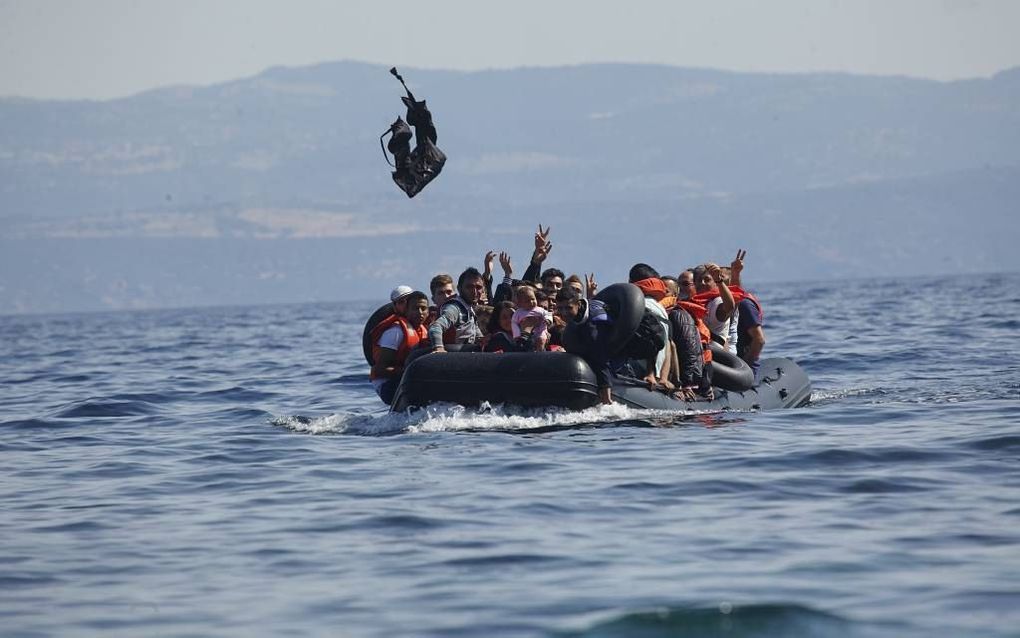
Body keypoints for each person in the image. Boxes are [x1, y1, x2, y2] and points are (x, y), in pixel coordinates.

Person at [369, 290, 430, 404]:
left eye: (423, 308)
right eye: (415, 308)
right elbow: (380, 370)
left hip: (407, 377)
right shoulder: (395, 332)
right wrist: (409, 372)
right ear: (407, 311)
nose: (420, 312)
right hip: (386, 384)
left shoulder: (423, 330)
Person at [556, 288, 615, 404]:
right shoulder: (575, 320)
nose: (563, 313)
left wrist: (606, 395)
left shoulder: (593, 326)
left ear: (578, 304)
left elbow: (602, 359)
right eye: (560, 308)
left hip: (612, 350)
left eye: (568, 308)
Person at [627, 263, 675, 391]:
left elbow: (651, 337)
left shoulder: (638, 305)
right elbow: (668, 346)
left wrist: (650, 373)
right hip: (657, 375)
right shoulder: (662, 309)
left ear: (631, 282)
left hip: (637, 371)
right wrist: (664, 378)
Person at [428, 267, 486, 351]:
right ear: (459, 288)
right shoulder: (455, 308)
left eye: (478, 287)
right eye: (469, 287)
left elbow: (479, 337)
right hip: (452, 358)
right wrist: (439, 348)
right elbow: (435, 327)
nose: (474, 291)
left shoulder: (469, 311)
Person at [693, 262, 736, 353]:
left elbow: (729, 307)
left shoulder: (717, 302)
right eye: (699, 280)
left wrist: (719, 281)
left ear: (715, 282)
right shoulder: (691, 302)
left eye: (707, 280)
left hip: (716, 355)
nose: (702, 283)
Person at [512, 285, 553, 351]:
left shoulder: (539, 309)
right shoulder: (518, 312)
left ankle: (540, 352)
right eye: (527, 301)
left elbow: (548, 313)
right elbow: (514, 323)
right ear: (520, 303)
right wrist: (516, 334)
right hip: (525, 335)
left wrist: (548, 320)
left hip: (540, 331)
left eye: (533, 299)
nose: (531, 302)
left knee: (541, 340)